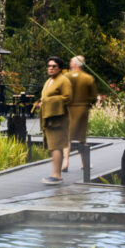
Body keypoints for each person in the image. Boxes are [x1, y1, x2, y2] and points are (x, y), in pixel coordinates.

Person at [33, 56, 72, 185]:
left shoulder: (63, 80)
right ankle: (55, 173)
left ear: (59, 68)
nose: (50, 68)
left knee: (56, 145)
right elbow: (46, 96)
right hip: (49, 118)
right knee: (52, 145)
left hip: (58, 118)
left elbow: (68, 98)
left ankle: (57, 175)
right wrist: (41, 103)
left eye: (54, 66)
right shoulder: (49, 80)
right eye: (49, 66)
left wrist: (48, 102)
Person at [63, 55, 98, 172]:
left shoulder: (65, 77)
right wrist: (89, 104)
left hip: (68, 109)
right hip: (82, 109)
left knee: (67, 137)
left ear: (74, 64)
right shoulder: (88, 78)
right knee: (82, 138)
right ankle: (84, 163)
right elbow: (93, 96)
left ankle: (66, 161)